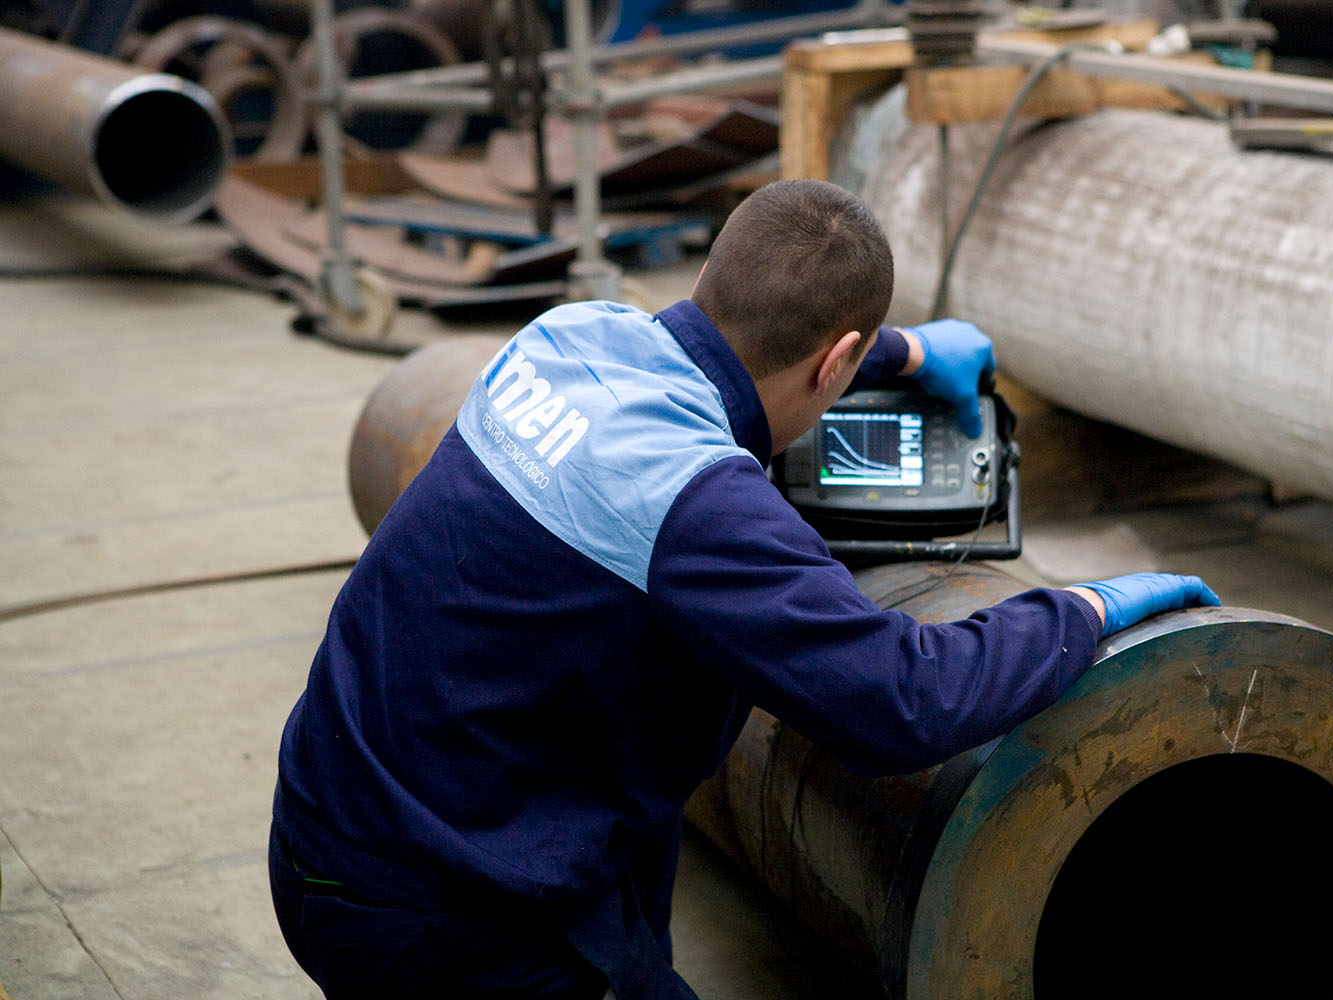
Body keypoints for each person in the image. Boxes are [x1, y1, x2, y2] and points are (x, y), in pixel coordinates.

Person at [268, 179, 1219, 999]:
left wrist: (910, 354)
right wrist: (1085, 610)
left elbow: (748, 344)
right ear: (834, 363)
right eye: (850, 369)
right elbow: (906, 697)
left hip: (328, 817)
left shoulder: (570, 334)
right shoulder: (697, 502)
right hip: (432, 915)